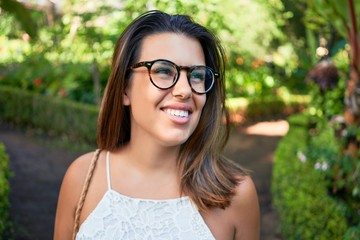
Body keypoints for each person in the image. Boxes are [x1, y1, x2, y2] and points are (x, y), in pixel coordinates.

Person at [54, 10, 260, 240]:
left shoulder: (236, 196)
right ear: (124, 88)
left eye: (197, 75)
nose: (184, 90)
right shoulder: (82, 178)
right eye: (163, 70)